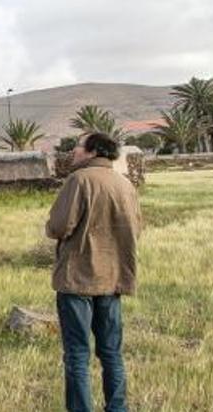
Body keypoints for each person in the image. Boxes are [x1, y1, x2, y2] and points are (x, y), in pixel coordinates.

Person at [45, 132, 142, 412]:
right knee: (112, 353)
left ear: (91, 151)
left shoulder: (79, 181)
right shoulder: (125, 184)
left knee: (77, 355)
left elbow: (60, 226)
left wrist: (51, 227)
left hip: (78, 279)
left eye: (77, 145)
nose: (73, 150)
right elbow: (136, 227)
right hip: (113, 280)